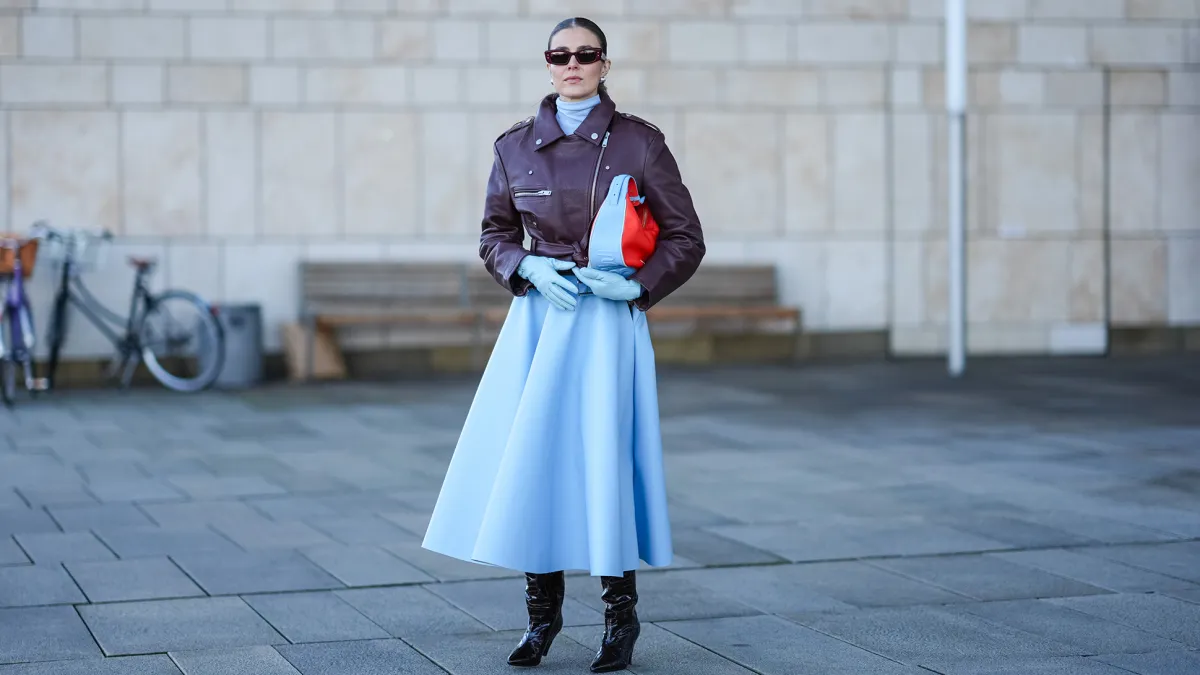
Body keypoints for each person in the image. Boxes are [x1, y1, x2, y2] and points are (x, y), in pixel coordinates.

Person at [421, 16, 705, 672]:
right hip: (539, 323)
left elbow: (685, 236)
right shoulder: (514, 147)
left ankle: (619, 619)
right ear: (547, 64)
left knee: (604, 461)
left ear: (605, 64)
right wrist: (523, 266)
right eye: (560, 53)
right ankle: (541, 619)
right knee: (534, 462)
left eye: (587, 54)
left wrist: (634, 286)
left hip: (606, 326)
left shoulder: (640, 143)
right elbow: (493, 232)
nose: (572, 63)